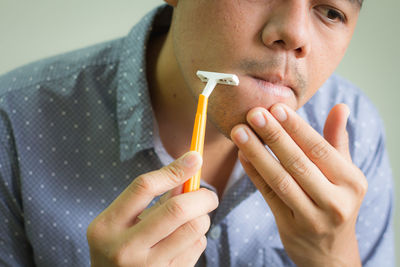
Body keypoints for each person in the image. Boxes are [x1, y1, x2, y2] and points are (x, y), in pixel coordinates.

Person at [0, 0, 395, 266]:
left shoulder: (352, 133)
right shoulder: (14, 122)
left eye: (329, 11)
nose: (294, 34)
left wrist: (333, 256)